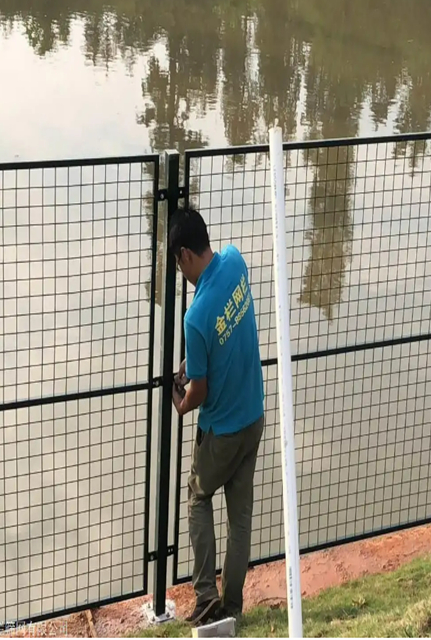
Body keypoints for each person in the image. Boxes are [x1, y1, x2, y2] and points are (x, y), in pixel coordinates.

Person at [168, 207, 265, 626]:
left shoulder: (195, 315)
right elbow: (225, 335)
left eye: (178, 265)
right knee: (239, 518)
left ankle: (206, 596)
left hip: (222, 431)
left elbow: (199, 392)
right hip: (254, 415)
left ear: (185, 255)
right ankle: (233, 607)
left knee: (198, 496)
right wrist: (194, 364)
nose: (182, 273)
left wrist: (181, 403)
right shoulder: (236, 261)